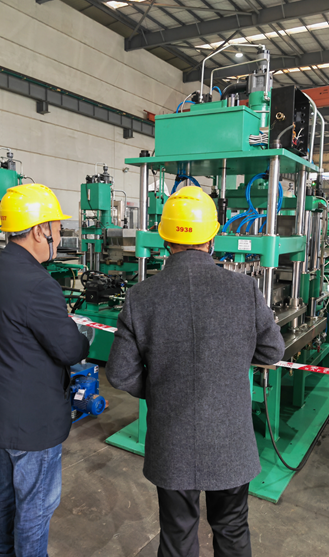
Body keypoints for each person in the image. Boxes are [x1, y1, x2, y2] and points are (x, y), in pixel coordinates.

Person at [106, 186, 285, 557]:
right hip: (229, 440)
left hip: (172, 442)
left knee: (177, 535)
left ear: (165, 238)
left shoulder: (141, 296)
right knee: (232, 529)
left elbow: (120, 373)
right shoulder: (245, 289)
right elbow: (273, 350)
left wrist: (162, 388)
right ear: (212, 237)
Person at [0, 184, 90, 557]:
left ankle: (0, 553)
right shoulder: (38, 284)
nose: (59, 234)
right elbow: (69, 349)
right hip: (31, 421)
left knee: (5, 493)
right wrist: (81, 337)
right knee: (36, 507)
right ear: (40, 230)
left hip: (0, 410)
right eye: (57, 227)